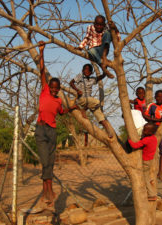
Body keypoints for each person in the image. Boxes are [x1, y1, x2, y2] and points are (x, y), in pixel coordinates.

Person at [35, 41, 77, 205]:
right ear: (48, 86)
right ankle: (47, 189)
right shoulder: (44, 90)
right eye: (51, 87)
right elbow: (42, 69)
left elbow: (61, 112)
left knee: (50, 162)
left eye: (55, 88)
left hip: (52, 131)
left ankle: (48, 190)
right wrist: (41, 51)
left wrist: (72, 108)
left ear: (58, 89)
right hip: (41, 130)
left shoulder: (59, 100)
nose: (53, 89)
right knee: (45, 161)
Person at [69, 63, 113, 138]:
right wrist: (77, 90)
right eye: (85, 70)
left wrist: (105, 70)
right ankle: (83, 110)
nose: (86, 71)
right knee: (97, 102)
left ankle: (108, 130)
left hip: (89, 101)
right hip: (82, 99)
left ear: (91, 72)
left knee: (100, 115)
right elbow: (71, 82)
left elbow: (101, 77)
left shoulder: (93, 79)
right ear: (82, 71)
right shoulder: (80, 76)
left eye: (88, 70)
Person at [76, 15, 120, 79]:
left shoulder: (107, 27)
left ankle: (104, 57)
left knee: (108, 33)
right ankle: (103, 67)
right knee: (90, 51)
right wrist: (80, 47)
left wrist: (115, 28)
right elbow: (87, 38)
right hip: (94, 50)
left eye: (101, 25)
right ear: (94, 24)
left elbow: (118, 38)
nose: (99, 27)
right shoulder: (90, 27)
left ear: (104, 25)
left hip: (104, 49)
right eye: (97, 25)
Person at [127, 122, 158, 201]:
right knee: (146, 175)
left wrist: (129, 140)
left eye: (145, 130)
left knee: (145, 178)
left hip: (145, 161)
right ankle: (150, 190)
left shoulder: (146, 140)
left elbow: (135, 145)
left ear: (149, 132)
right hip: (150, 160)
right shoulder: (154, 138)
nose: (143, 131)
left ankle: (151, 194)